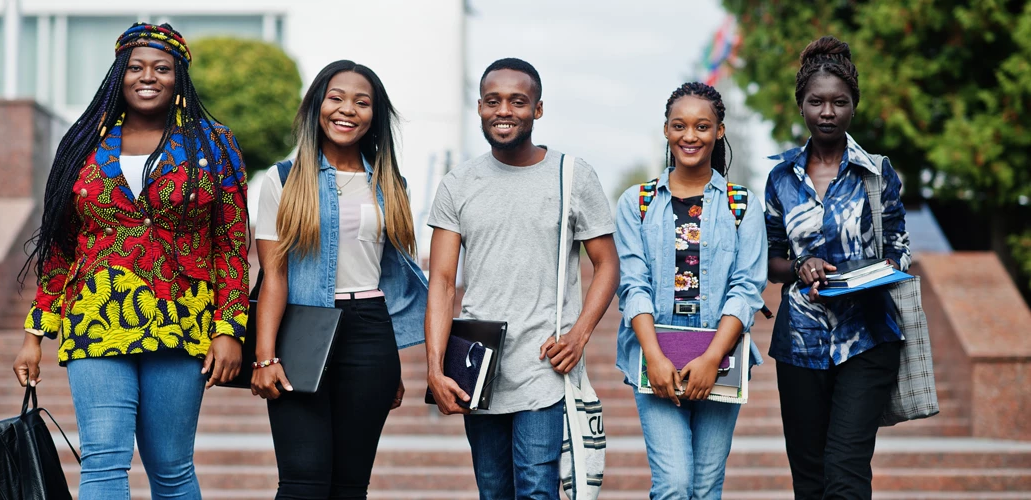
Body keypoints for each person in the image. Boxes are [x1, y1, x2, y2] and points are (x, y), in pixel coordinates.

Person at [12, 22, 248, 499]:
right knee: (101, 460)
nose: (149, 76)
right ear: (118, 74)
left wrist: (229, 327)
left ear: (179, 76)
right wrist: (35, 334)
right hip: (96, 316)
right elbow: (61, 246)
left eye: (162, 68)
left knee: (172, 467)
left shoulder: (213, 143)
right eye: (136, 67)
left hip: (182, 319)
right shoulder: (84, 143)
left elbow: (231, 242)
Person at [425, 57, 619, 499]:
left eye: (518, 101)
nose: (504, 110)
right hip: (478, 364)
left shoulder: (573, 176)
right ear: (479, 107)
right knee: (494, 491)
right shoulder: (459, 183)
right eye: (493, 101)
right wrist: (435, 368)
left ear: (538, 108)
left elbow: (607, 264)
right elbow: (441, 281)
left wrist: (579, 335)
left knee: (536, 489)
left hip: (543, 364)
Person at [251, 60, 427, 499]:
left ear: (374, 115)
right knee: (302, 484)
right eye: (336, 97)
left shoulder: (390, 183)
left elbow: (393, 274)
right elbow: (274, 274)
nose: (347, 109)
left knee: (350, 487)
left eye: (361, 102)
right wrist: (265, 356)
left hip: (370, 334)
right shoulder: (284, 179)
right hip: (302, 331)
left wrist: (393, 360)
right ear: (317, 106)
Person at [765, 36, 911, 500]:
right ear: (801, 106)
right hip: (800, 343)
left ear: (853, 106)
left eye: (839, 102)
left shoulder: (878, 173)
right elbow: (771, 262)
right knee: (809, 478)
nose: (827, 112)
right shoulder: (780, 178)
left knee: (846, 472)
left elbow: (900, 250)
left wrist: (868, 271)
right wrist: (801, 265)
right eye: (816, 102)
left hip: (867, 337)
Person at [614, 82, 767, 499]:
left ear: (719, 131)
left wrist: (712, 358)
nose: (690, 136)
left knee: (705, 486)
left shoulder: (741, 205)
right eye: (679, 126)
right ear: (666, 130)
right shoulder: (637, 203)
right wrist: (655, 357)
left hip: (721, 353)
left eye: (702, 126)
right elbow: (633, 285)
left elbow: (747, 287)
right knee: (674, 483)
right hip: (655, 355)